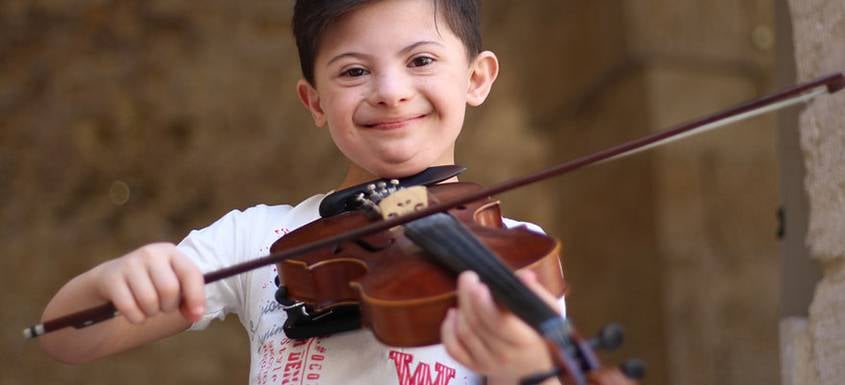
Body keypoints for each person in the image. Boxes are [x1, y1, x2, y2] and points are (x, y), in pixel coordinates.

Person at [38, 1, 576, 384]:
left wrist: (529, 369)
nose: (390, 92)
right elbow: (66, 339)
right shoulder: (260, 239)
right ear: (315, 102)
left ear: (476, 78)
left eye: (421, 60)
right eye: (354, 71)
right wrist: (112, 281)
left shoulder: (515, 250)